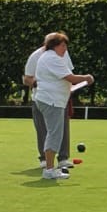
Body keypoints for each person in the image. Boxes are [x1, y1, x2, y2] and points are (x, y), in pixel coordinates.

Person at [32, 33, 92, 179]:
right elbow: (70, 78)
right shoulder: (52, 58)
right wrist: (87, 78)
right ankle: (49, 170)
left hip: (51, 99)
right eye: (63, 45)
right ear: (54, 46)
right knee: (54, 134)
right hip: (52, 101)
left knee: (54, 133)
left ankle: (50, 168)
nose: (65, 49)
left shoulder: (49, 57)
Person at [23, 30, 71, 168]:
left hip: (59, 97)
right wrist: (39, 83)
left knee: (62, 128)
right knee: (43, 129)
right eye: (61, 44)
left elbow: (67, 73)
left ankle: (63, 158)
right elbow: (26, 79)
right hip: (42, 98)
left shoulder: (63, 53)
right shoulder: (36, 56)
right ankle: (45, 160)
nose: (64, 48)